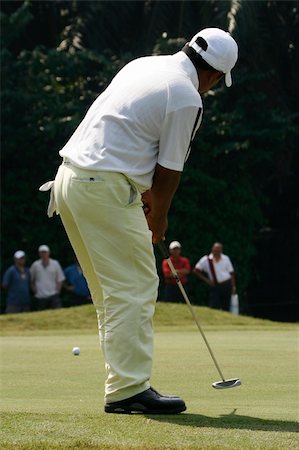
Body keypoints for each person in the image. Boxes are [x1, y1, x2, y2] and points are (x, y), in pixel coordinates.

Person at [40, 28, 238, 414]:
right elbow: (168, 171)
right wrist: (158, 219)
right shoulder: (187, 98)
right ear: (214, 76)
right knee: (136, 285)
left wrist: (145, 200)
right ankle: (128, 390)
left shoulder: (144, 64)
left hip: (70, 180)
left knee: (112, 293)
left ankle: (123, 385)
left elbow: (127, 136)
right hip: (104, 187)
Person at [193, 242, 236, 311]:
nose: (217, 252)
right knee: (214, 306)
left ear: (221, 251)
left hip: (226, 284)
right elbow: (196, 270)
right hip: (215, 285)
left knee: (226, 306)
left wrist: (233, 286)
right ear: (212, 249)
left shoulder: (226, 258)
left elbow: (231, 273)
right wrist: (207, 280)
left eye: (219, 250)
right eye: (215, 250)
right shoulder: (206, 259)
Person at [30, 245, 65, 310]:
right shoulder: (35, 265)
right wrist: (35, 291)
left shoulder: (55, 264)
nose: (44, 254)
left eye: (45, 252)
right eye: (42, 252)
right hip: (40, 296)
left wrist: (57, 292)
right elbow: (31, 280)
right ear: (39, 254)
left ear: (48, 253)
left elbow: (60, 279)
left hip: (53, 295)